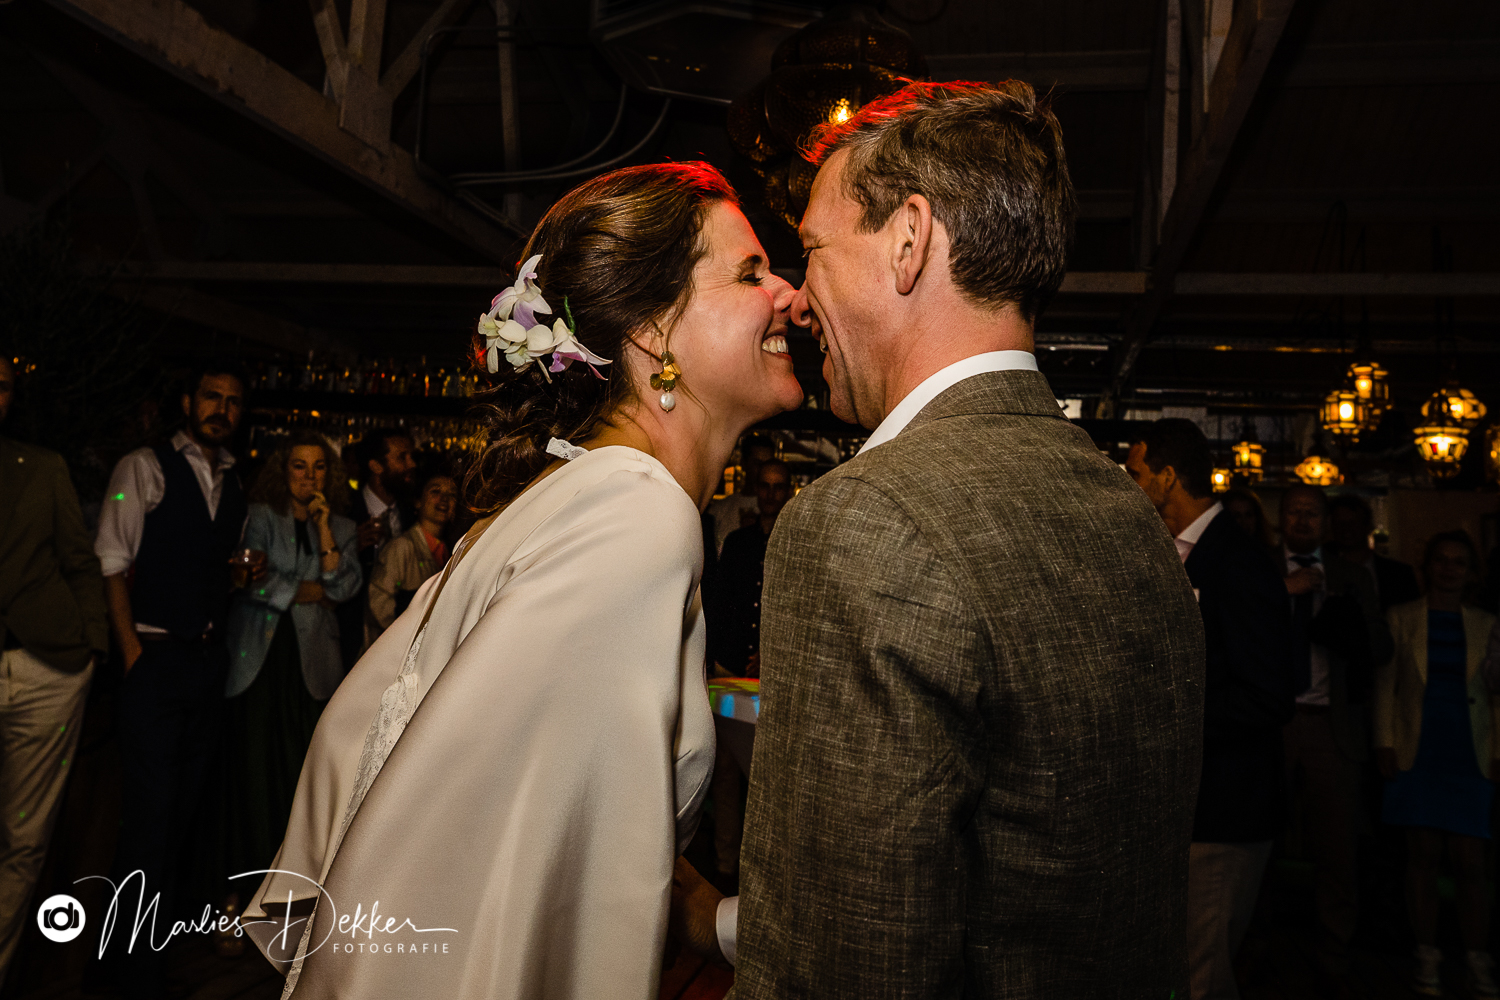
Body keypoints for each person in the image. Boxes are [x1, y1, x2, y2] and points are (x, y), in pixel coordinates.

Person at [673, 80, 1205, 996]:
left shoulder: (864, 520)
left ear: (910, 238)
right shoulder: (1129, 517)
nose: (798, 301)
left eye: (813, 251)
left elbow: (843, 964)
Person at [240, 161, 804, 999]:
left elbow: (433, 781)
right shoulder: (634, 514)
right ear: (652, 331)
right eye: (751, 272)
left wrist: (715, 917)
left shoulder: (570, 495)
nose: (789, 292)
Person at [94, 361, 249, 996]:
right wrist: (132, 650)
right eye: (211, 397)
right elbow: (111, 558)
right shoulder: (144, 466)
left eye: (233, 402)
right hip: (154, 659)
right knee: (149, 822)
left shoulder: (235, 478)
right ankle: (131, 975)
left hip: (206, 663)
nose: (222, 409)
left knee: (181, 817)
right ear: (187, 401)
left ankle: (125, 966)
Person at [1126, 419, 1294, 1000]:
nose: (1130, 484)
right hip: (1182, 808)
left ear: (1168, 478)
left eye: (1136, 474)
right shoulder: (1171, 553)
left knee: (1202, 973)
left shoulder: (1238, 563)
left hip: (1226, 808)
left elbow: (1268, 693)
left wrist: (1161, 716)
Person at [0, 356, 108, 984]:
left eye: (4, 385)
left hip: (45, 668)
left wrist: (90, 648)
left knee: (22, 839)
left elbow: (79, 560)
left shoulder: (41, 468)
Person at [221, 433, 361, 890]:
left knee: (303, 779)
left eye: (318, 467)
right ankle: (242, 889)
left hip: (314, 668)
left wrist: (322, 528)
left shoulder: (341, 526)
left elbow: (343, 587)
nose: (309, 476)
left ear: (330, 474)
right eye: (299, 466)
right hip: (262, 661)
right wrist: (309, 592)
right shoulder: (261, 517)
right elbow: (249, 579)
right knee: (253, 774)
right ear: (284, 471)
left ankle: (292, 892)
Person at [1276, 483, 1392, 989]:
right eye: (1295, 512)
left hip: (1332, 722)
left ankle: (1334, 953)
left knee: (1337, 849)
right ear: (1280, 517)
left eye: (1312, 513)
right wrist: (1284, 593)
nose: (1303, 521)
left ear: (1325, 522)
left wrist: (1339, 610)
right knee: (1262, 841)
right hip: (1273, 721)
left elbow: (1380, 647)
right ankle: (1260, 944)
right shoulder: (1258, 567)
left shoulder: (1349, 574)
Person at [1375, 531, 1499, 997]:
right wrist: (1384, 742)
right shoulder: (1402, 617)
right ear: (1427, 566)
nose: (1449, 569)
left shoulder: (1488, 623)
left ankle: (1477, 959)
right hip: (1416, 748)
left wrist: (1499, 753)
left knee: (1471, 862)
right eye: (1441, 560)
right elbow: (1386, 687)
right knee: (1421, 858)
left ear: (1471, 572)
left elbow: (1497, 697)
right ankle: (1426, 955)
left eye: (1459, 562)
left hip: (1469, 750)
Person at [700, 459, 791, 891]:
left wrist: (771, 656)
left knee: (765, 777)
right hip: (731, 672)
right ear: (758, 490)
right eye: (766, 486)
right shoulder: (737, 543)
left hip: (771, 680)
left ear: (788, 490)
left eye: (779, 487)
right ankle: (724, 867)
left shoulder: (795, 544)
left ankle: (763, 873)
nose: (772, 494)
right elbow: (720, 606)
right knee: (724, 775)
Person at [337, 429, 416, 666]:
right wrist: (352, 548)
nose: (411, 464)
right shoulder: (343, 510)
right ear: (375, 466)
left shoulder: (412, 514)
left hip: (397, 637)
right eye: (402, 457)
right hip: (350, 637)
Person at [365, 470, 457, 637]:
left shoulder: (452, 551)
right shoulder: (401, 547)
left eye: (452, 495)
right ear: (418, 501)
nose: (444, 499)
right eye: (435, 491)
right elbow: (378, 603)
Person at [1327, 494, 1421, 614]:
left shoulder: (1399, 574)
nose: (1347, 529)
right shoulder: (1321, 568)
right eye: (1340, 523)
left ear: (1368, 526)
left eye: (1353, 522)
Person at [704, 434, 775, 557]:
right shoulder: (719, 510)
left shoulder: (775, 508)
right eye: (757, 463)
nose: (763, 469)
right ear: (744, 463)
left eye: (767, 463)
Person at [1222, 486, 1277, 552]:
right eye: (1237, 516)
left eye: (1248, 515)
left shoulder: (1268, 555)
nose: (1243, 521)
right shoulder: (1215, 555)